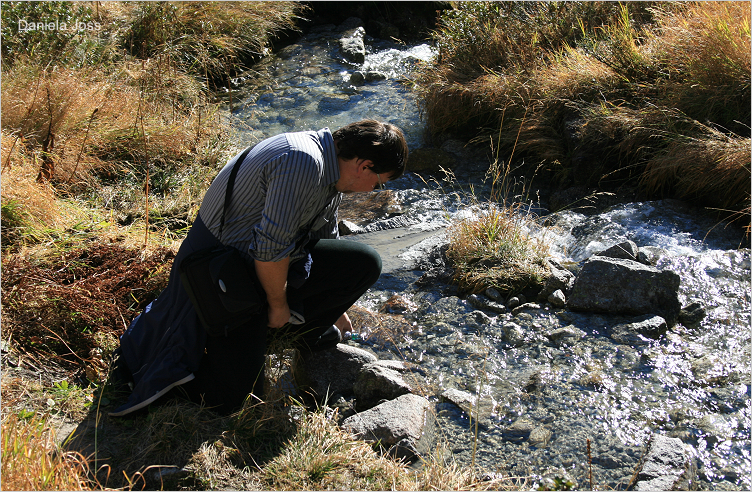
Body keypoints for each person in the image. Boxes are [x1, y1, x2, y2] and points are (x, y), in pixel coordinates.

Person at [110, 119, 408, 416]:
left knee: (364, 263)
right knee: (230, 399)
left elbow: (323, 232)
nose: (373, 190)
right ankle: (228, 352)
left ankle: (287, 334)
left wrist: (338, 306)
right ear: (364, 166)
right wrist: (277, 306)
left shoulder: (331, 164)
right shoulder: (303, 163)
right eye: (379, 182)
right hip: (220, 275)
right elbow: (269, 250)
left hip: (252, 264)